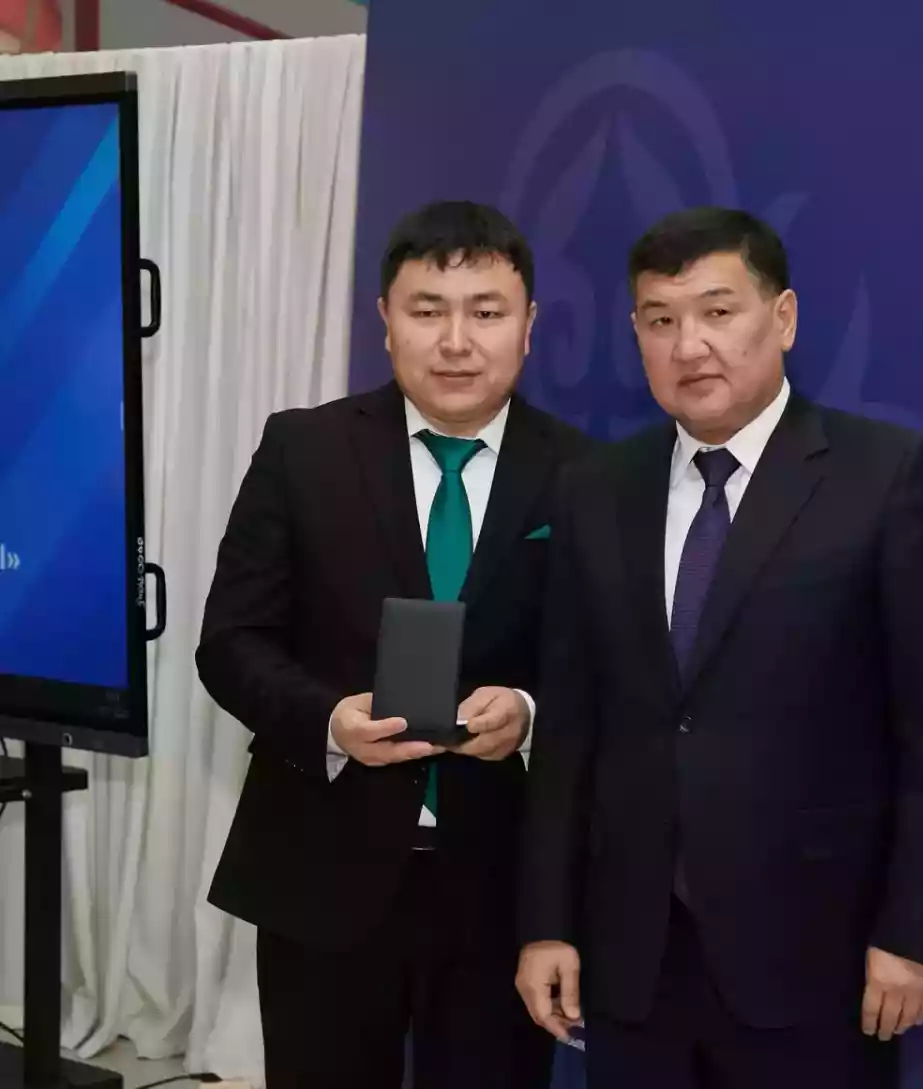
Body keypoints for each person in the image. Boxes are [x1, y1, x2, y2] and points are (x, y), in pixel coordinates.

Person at [516, 207, 923, 1089]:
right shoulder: (596, 489)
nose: (689, 344)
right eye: (660, 319)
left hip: (819, 959)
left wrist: (913, 932)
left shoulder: (890, 477)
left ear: (783, 318)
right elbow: (572, 727)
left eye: (717, 311)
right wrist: (548, 921)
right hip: (633, 962)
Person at [197, 201, 590, 1089]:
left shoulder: (588, 475)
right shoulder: (302, 449)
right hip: (321, 869)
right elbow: (230, 641)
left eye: (485, 311)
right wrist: (329, 720)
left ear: (528, 325)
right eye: (426, 309)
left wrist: (529, 714)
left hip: (503, 885)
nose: (456, 341)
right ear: (384, 320)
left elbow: (611, 670)